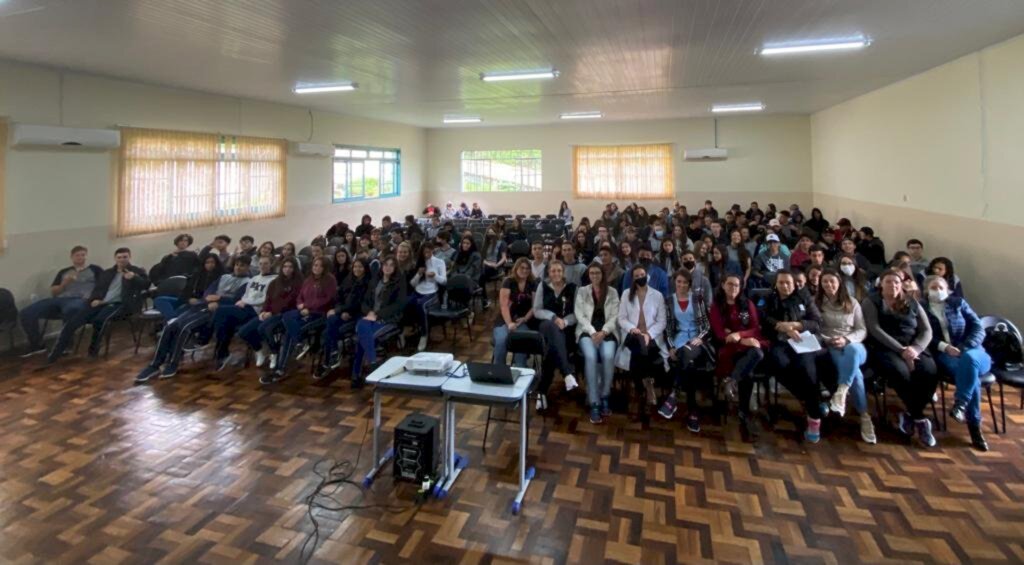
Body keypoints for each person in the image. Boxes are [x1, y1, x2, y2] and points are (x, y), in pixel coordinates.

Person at [133, 256, 249, 382]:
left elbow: (237, 300)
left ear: (248, 267)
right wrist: (209, 297)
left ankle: (173, 364)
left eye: (242, 265)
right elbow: (209, 291)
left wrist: (219, 299)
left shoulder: (248, 282)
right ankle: (154, 364)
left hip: (216, 311)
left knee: (184, 328)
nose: (238, 267)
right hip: (203, 304)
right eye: (237, 264)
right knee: (171, 326)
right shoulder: (224, 277)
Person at [862, 270, 939, 447]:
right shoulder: (871, 301)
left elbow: (926, 330)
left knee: (930, 371)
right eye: (888, 282)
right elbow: (874, 329)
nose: (893, 285)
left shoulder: (911, 301)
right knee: (900, 372)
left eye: (896, 282)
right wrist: (901, 350)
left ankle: (911, 414)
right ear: (881, 284)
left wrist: (916, 349)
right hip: (887, 348)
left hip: (914, 346)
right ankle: (920, 419)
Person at [922, 275, 991, 451]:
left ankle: (961, 403)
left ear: (948, 290)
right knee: (971, 378)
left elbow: (978, 327)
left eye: (940, 287)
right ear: (926, 290)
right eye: (933, 287)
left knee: (969, 362)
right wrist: (945, 347)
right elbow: (923, 335)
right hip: (945, 354)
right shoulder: (921, 308)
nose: (937, 291)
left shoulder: (958, 303)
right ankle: (974, 426)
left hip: (973, 351)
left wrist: (966, 346)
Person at [48, 248, 150, 364]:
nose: (122, 260)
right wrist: (95, 299)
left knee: (100, 320)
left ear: (129, 257)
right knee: (73, 320)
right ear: (115, 258)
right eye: (119, 257)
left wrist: (134, 278)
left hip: (120, 304)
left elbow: (146, 285)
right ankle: (56, 353)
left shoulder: (136, 271)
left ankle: (93, 350)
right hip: (100, 302)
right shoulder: (107, 273)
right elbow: (98, 289)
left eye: (125, 257)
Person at [762, 270, 827, 442]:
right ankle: (810, 401)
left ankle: (814, 420)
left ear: (795, 284)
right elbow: (763, 319)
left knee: (808, 371)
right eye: (781, 282)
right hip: (780, 342)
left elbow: (816, 322)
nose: (784, 286)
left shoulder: (804, 297)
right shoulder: (770, 298)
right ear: (776, 284)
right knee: (778, 363)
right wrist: (779, 326)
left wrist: (797, 325)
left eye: (788, 283)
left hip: (802, 342)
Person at [816, 269, 875, 443]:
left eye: (832, 281)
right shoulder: (817, 302)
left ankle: (841, 392)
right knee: (855, 374)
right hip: (831, 345)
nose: (829, 285)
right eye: (825, 281)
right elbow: (814, 328)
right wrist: (829, 339)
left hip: (853, 344)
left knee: (853, 351)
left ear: (839, 283)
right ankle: (865, 417)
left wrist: (846, 339)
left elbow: (862, 329)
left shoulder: (852, 302)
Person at [709, 274, 767, 439]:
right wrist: (744, 338)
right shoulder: (716, 306)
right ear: (722, 285)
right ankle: (743, 413)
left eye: (736, 285)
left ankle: (732, 382)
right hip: (727, 350)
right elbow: (721, 334)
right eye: (729, 284)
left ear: (740, 287)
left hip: (746, 348)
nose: (733, 288)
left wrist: (739, 334)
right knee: (748, 368)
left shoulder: (747, 304)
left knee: (756, 353)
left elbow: (756, 328)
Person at [20, 246, 103, 357]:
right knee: (26, 312)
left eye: (83, 255)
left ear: (86, 256)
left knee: (70, 310)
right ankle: (37, 345)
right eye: (77, 255)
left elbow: (104, 286)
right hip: (60, 299)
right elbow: (54, 292)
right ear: (72, 257)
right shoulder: (64, 272)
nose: (80, 258)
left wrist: (94, 298)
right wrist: (64, 283)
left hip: (81, 300)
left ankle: (66, 345)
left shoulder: (95, 269)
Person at [657, 269, 713, 433]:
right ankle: (692, 411)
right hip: (680, 339)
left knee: (688, 353)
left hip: (697, 340)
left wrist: (700, 338)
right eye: (678, 282)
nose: (681, 285)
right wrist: (671, 346)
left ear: (689, 284)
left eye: (685, 282)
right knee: (689, 366)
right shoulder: (669, 301)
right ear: (675, 282)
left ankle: (674, 394)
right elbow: (668, 329)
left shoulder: (697, 299)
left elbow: (706, 326)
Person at [266, 257, 337, 383]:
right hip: (304, 311)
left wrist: (308, 307)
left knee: (289, 333)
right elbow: (300, 296)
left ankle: (280, 368)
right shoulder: (308, 279)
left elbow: (328, 299)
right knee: (287, 316)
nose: (316, 267)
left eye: (320, 265)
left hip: (319, 314)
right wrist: (300, 305)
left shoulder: (330, 280)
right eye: (315, 265)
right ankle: (300, 343)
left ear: (325, 267)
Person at [211, 256, 277, 370]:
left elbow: (265, 299)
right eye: (260, 263)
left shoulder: (274, 279)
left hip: (257, 310)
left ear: (271, 264)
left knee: (220, 311)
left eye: (266, 263)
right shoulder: (254, 278)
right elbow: (246, 295)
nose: (263, 266)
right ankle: (222, 353)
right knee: (225, 322)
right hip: (245, 307)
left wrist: (246, 302)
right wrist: (243, 300)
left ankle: (213, 341)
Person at [617, 264, 668, 411]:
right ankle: (648, 383)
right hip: (632, 334)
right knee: (639, 344)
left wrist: (648, 334)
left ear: (647, 275)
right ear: (632, 279)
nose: (640, 278)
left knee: (637, 353)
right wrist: (633, 329)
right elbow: (621, 318)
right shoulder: (627, 294)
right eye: (637, 276)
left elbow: (662, 321)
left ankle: (640, 389)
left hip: (651, 336)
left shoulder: (657, 295)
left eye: (642, 275)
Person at [350, 256, 407, 387]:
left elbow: (398, 305)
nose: (388, 267)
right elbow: (365, 301)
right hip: (370, 317)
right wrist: (369, 312)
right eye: (385, 264)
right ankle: (373, 363)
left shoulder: (399, 283)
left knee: (361, 337)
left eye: (391, 265)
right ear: (381, 266)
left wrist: (377, 314)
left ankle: (357, 374)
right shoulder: (375, 281)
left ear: (395, 268)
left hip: (388, 319)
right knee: (362, 326)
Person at [239, 257, 302, 372]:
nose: (287, 269)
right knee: (243, 332)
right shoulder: (275, 282)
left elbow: (289, 302)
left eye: (290, 267)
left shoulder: (298, 283)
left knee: (264, 329)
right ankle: (259, 351)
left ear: (294, 269)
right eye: (285, 266)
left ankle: (274, 353)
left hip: (284, 315)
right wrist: (264, 311)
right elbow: (268, 299)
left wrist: (271, 312)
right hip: (268, 313)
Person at [576, 263, 620, 424]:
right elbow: (580, 315)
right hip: (588, 332)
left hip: (607, 332)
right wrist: (593, 331)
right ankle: (594, 401)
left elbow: (615, 316)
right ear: (588, 275)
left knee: (608, 356)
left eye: (597, 273)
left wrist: (604, 332)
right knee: (591, 356)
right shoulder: (582, 291)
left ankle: (605, 394)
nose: (595, 276)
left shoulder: (613, 292)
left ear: (603, 274)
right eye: (592, 273)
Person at [315, 258, 372, 378]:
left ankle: (328, 361)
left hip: (357, 316)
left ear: (365, 269)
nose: (357, 269)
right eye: (355, 266)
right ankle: (334, 353)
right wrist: (340, 310)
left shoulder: (368, 283)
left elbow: (360, 304)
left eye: (360, 267)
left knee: (329, 331)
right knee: (328, 326)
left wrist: (341, 311)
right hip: (343, 313)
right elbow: (338, 298)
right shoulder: (348, 280)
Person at [534, 260, 579, 409]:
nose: (556, 274)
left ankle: (541, 392)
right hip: (546, 326)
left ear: (563, 272)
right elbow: (537, 310)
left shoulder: (573, 288)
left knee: (551, 350)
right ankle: (567, 373)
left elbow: (577, 313)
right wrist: (553, 317)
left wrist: (565, 322)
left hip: (566, 330)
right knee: (551, 327)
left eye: (559, 270)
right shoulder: (543, 286)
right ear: (548, 273)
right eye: (553, 271)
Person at [492, 257, 538, 368]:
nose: (525, 270)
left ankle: (520, 369)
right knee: (501, 340)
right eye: (522, 268)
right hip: (505, 319)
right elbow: (504, 306)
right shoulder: (508, 281)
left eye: (527, 268)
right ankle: (499, 370)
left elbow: (534, 306)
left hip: (523, 320)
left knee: (521, 340)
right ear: (516, 268)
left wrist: (525, 318)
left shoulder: (533, 283)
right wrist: (509, 323)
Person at [410, 241, 447, 351]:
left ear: (432, 251)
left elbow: (444, 281)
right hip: (418, 291)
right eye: (424, 252)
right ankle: (404, 332)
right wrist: (418, 274)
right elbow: (412, 284)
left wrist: (434, 276)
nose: (427, 254)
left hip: (431, 292)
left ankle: (424, 334)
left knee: (422, 305)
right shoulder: (418, 262)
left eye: (429, 251)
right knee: (408, 303)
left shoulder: (439, 262)